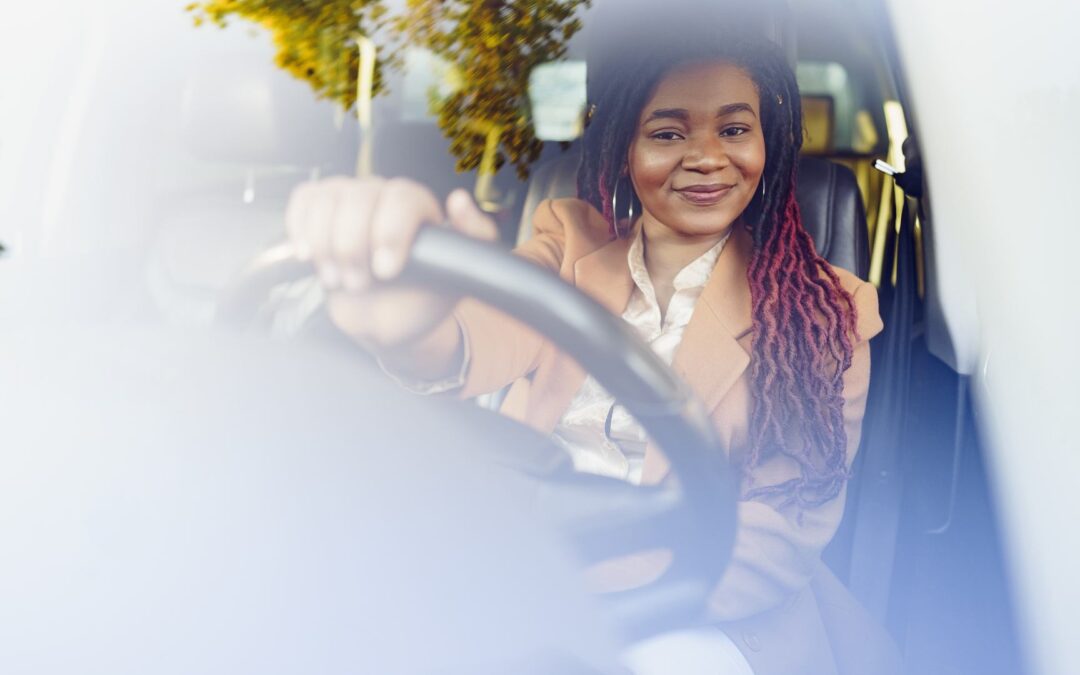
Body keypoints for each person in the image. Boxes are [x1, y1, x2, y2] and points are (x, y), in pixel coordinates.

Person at [285, 37, 887, 675]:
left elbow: (777, 539)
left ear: (768, 143)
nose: (709, 158)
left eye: (735, 128)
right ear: (624, 148)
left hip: (700, 611)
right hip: (512, 580)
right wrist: (411, 330)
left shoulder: (823, 315)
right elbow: (474, 335)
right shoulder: (566, 242)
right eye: (667, 133)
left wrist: (570, 592)